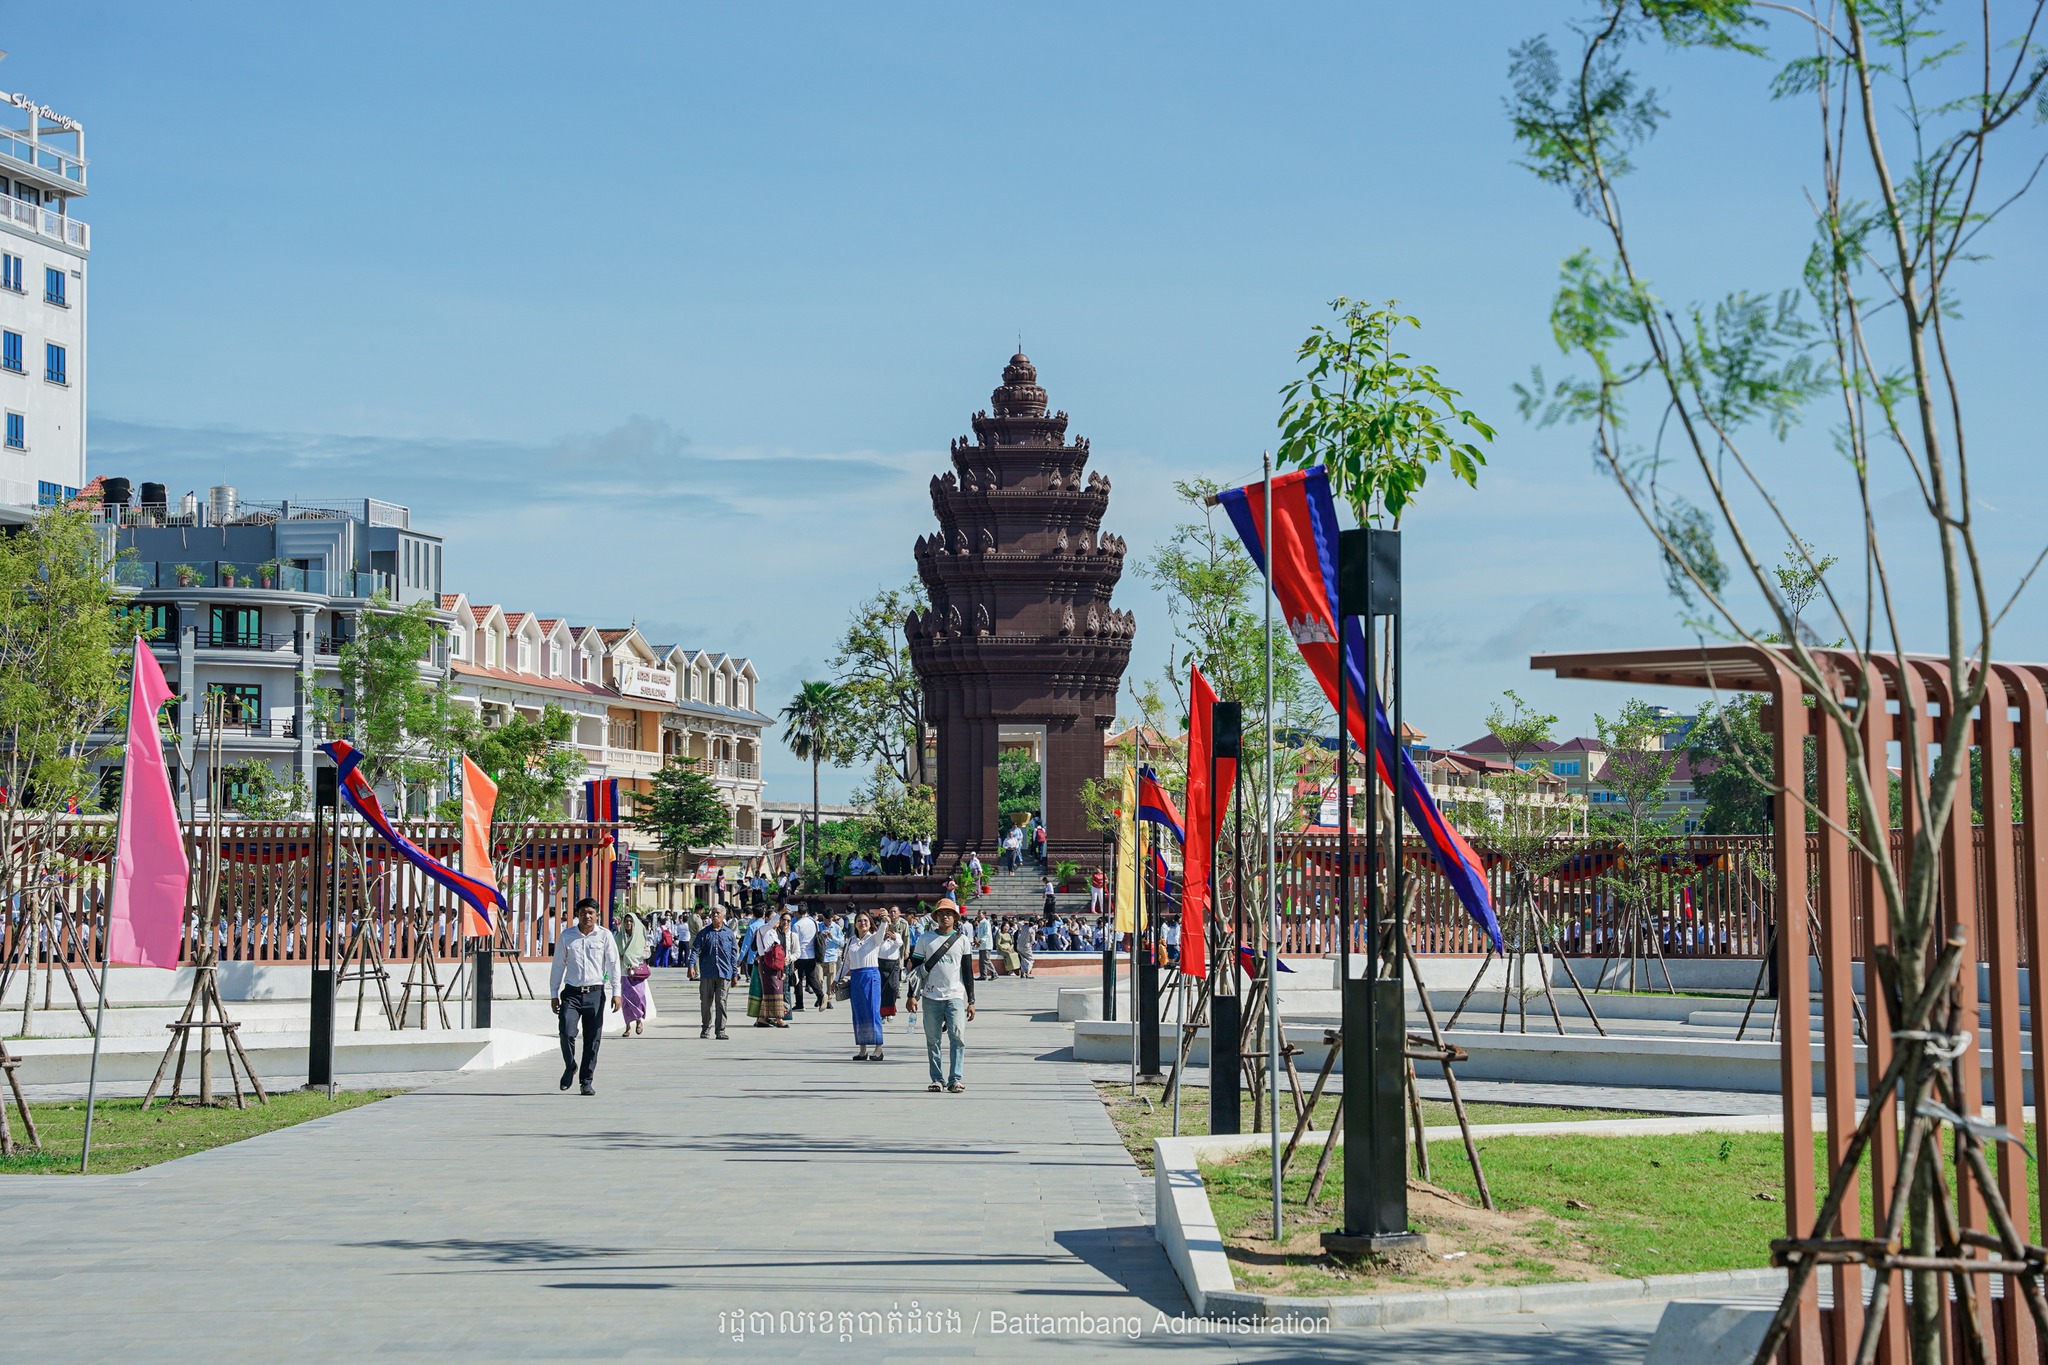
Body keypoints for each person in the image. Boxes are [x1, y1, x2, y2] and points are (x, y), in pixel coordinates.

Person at [550, 897, 620, 1096]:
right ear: (577, 915)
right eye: (582, 913)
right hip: (571, 993)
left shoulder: (605, 936)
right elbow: (558, 966)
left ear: (597, 915)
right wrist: (554, 993)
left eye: (590, 912)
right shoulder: (567, 936)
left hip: (595, 994)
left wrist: (617, 992)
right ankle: (570, 1065)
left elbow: (613, 964)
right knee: (566, 1031)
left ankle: (586, 1081)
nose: (586, 916)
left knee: (592, 1040)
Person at [907, 900, 976, 1093]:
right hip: (931, 996)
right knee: (933, 1040)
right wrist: (912, 995)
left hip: (955, 996)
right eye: (941, 913)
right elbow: (915, 970)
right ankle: (937, 1079)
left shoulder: (962, 940)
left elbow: (968, 972)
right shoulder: (925, 939)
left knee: (958, 1038)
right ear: (936, 917)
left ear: (955, 917)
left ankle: (955, 1079)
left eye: (949, 913)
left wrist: (971, 1000)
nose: (945, 916)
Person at [836, 910, 889, 1060]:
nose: (862, 923)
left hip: (871, 976)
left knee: (873, 1011)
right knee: (858, 1013)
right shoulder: (851, 941)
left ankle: (878, 1047)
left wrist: (884, 921)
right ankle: (862, 1049)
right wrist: (835, 980)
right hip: (856, 978)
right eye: (859, 920)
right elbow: (846, 963)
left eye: (865, 920)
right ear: (855, 924)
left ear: (870, 923)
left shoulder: (874, 938)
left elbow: (881, 933)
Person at [692, 905, 737, 1039]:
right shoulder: (704, 933)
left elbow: (733, 955)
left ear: (724, 916)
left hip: (724, 973)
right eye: (713, 913)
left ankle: (720, 1030)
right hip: (707, 973)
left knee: (721, 1002)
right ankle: (706, 1028)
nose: (715, 915)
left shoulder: (729, 934)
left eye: (718, 913)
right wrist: (691, 965)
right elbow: (695, 950)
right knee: (706, 1002)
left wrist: (735, 973)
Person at [614, 910, 652, 1038]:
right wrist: (621, 957)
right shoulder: (619, 938)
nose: (628, 923)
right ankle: (628, 1026)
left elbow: (647, 952)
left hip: (637, 972)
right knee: (626, 1000)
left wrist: (633, 956)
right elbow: (614, 953)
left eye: (631, 921)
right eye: (626, 921)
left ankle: (639, 1020)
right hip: (624, 972)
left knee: (639, 997)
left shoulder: (640, 938)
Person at [751, 909, 789, 1028]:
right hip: (767, 963)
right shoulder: (763, 929)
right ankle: (779, 1018)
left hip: (775, 964)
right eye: (773, 918)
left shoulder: (774, 932)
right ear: (767, 919)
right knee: (773, 990)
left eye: (777, 918)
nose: (776, 920)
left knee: (773, 990)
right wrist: (780, 913)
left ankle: (762, 1018)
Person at [790, 905, 822, 1012]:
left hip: (800, 955)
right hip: (811, 954)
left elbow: (794, 941)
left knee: (798, 980)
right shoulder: (814, 922)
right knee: (811, 978)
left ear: (798, 913)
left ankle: (799, 1004)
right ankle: (821, 995)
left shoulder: (797, 925)